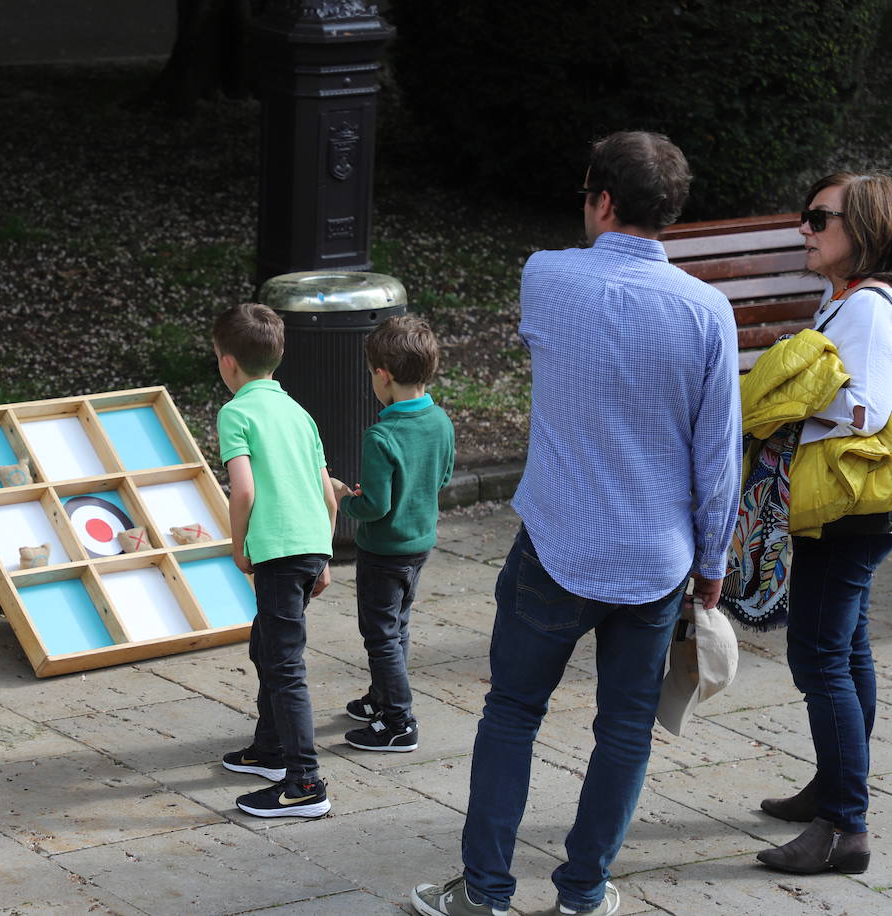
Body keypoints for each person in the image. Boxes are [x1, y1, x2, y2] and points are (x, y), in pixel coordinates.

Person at [410, 131, 741, 916]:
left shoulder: (545, 276)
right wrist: (714, 559)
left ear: (601, 200)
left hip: (555, 544)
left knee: (511, 714)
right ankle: (584, 893)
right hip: (657, 557)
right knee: (626, 728)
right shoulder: (708, 313)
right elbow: (718, 454)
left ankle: (484, 893)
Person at [754, 170, 892, 875]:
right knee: (848, 652)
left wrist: (786, 402)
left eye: (819, 218)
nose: (804, 229)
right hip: (851, 511)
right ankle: (833, 790)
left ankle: (846, 826)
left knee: (818, 658)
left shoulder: (866, 308)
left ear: (863, 230)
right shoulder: (843, 301)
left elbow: (864, 411)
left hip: (847, 511)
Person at [212, 302, 338, 818]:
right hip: (309, 546)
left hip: (279, 553)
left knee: (284, 665)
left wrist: (237, 545)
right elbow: (328, 495)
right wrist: (325, 556)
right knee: (266, 645)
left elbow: (242, 492)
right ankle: (270, 750)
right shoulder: (298, 412)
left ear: (227, 363)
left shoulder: (236, 412)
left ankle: (305, 782)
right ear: (278, 357)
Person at [330, 314, 455, 753]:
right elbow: (442, 477)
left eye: (371, 375)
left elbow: (374, 507)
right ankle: (382, 699)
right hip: (419, 545)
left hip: (383, 551)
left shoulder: (381, 435)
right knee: (398, 625)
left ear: (382, 376)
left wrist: (343, 496)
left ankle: (399, 720)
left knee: (380, 634)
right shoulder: (440, 421)